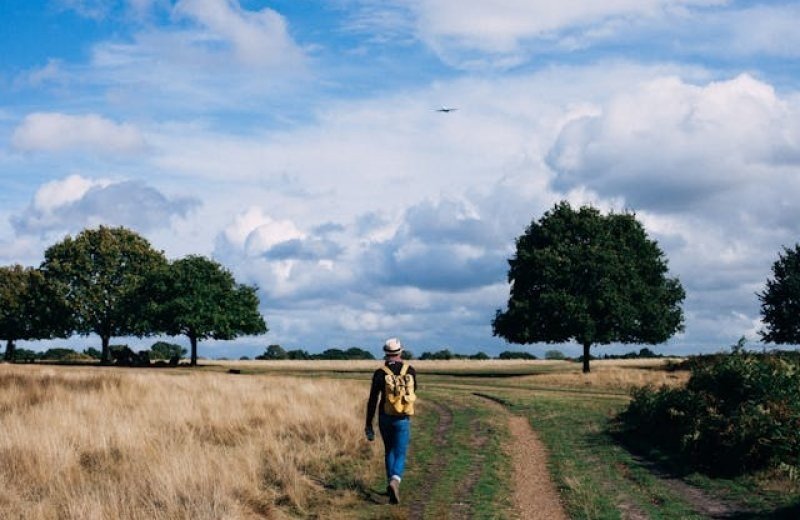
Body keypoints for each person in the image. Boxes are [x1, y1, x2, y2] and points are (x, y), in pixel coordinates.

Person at [365, 337, 417, 505]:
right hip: (403, 417)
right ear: (400, 352)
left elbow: (373, 399)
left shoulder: (380, 372)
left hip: (385, 416)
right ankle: (395, 480)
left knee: (389, 450)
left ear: (385, 353)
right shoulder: (410, 370)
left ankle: (390, 484)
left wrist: (368, 423)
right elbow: (413, 392)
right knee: (400, 452)